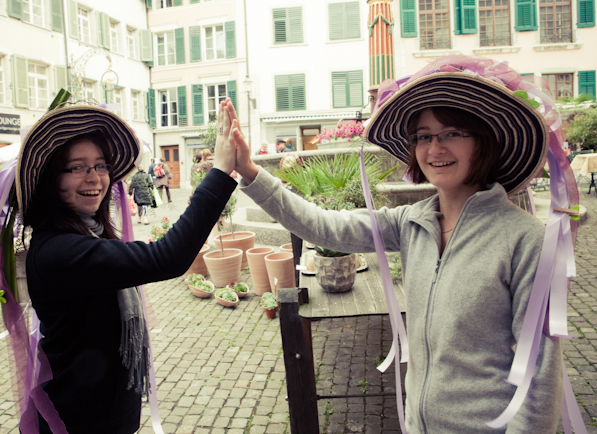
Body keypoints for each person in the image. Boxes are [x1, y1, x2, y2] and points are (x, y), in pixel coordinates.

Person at [228, 57, 565, 433]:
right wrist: (251, 172)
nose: (435, 148)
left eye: (452, 133)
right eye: (423, 136)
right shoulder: (410, 223)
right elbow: (324, 227)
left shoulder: (525, 240)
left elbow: (540, 373)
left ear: (485, 140)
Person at [14, 101, 238, 433]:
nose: (95, 177)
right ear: (51, 180)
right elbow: (167, 258)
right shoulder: (60, 250)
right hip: (77, 420)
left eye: (100, 165)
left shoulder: (89, 232)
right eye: (77, 167)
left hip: (104, 411)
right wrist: (219, 172)